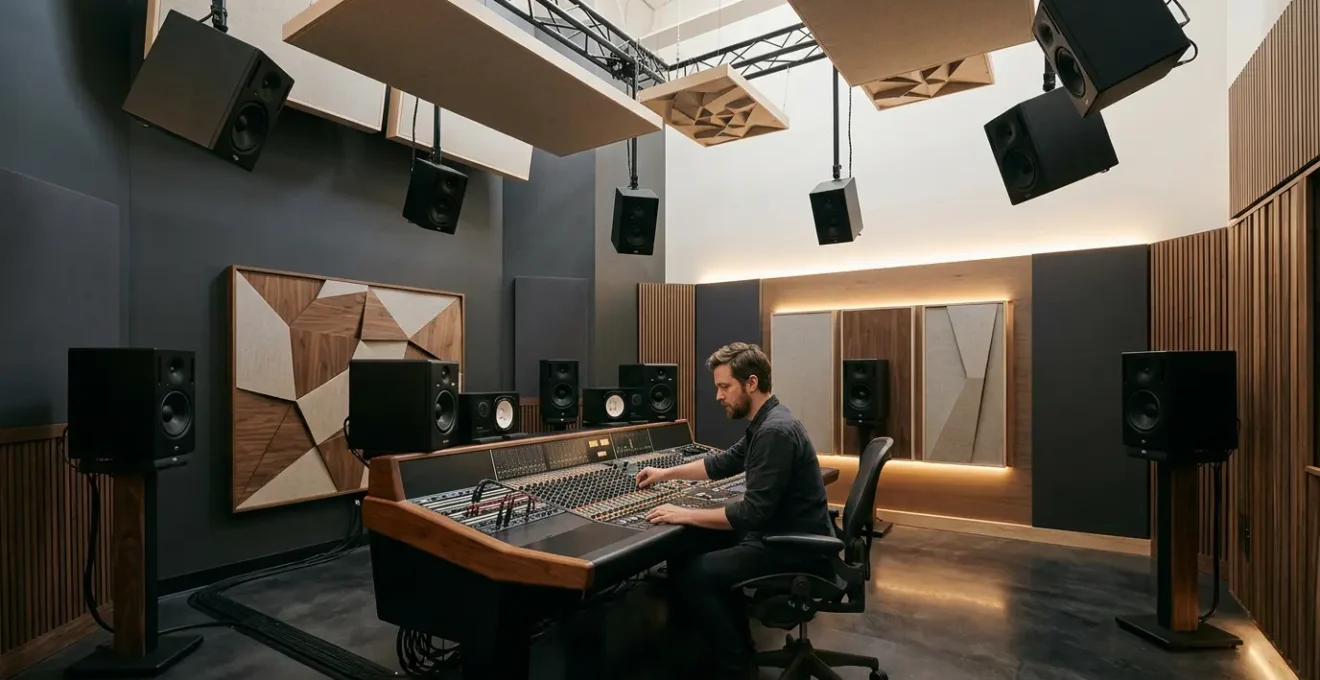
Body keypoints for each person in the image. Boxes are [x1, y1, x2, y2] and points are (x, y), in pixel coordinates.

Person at [635, 342, 834, 679]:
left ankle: (736, 666)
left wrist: (684, 514)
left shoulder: (774, 432)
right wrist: (665, 473)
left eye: (724, 386)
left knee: (695, 574)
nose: (718, 396)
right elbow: (723, 462)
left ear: (751, 383)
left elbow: (751, 514)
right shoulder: (767, 421)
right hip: (779, 534)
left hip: (794, 548)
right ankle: (735, 651)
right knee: (698, 549)